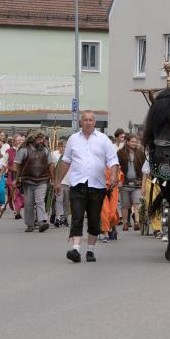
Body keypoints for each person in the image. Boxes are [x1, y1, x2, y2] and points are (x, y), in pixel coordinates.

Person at [55, 111, 120, 262]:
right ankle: (76, 249)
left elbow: (112, 160)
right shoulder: (73, 139)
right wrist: (58, 181)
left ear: (95, 122)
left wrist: (114, 176)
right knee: (77, 216)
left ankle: (90, 250)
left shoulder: (103, 140)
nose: (88, 122)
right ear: (81, 122)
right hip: (78, 184)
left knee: (93, 218)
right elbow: (66, 161)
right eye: (85, 120)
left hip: (97, 186)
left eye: (91, 120)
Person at [16, 130, 52, 233]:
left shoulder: (45, 150)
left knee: (40, 201)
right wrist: (17, 179)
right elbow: (17, 165)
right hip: (27, 180)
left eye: (42, 139)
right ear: (33, 139)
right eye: (39, 139)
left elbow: (51, 164)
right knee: (28, 203)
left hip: (42, 179)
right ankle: (30, 224)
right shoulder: (23, 150)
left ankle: (41, 222)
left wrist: (53, 178)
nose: (41, 141)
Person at [118, 133, 145, 231]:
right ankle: (125, 223)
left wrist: (143, 181)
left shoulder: (140, 153)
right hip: (124, 182)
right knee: (125, 204)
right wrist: (118, 179)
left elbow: (143, 168)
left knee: (136, 203)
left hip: (137, 181)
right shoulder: (120, 153)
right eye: (132, 141)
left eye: (136, 141)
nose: (134, 143)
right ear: (127, 142)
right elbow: (117, 167)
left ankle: (137, 222)